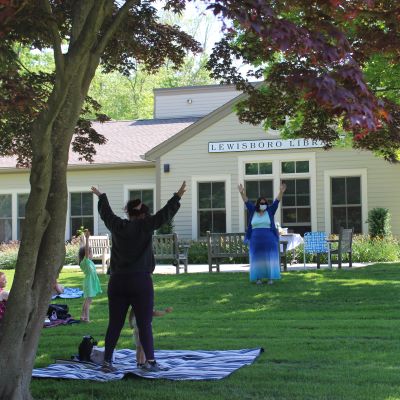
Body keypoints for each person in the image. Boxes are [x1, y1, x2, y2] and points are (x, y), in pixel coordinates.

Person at [91, 180, 186, 373]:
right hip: (140, 281)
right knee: (144, 324)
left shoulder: (117, 226)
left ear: (128, 213)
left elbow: (106, 214)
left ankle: (107, 362)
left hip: (117, 281)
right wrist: (177, 196)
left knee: (115, 324)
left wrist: (102, 197)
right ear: (143, 214)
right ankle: (150, 362)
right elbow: (164, 215)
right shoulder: (146, 225)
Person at [238, 182, 287, 285]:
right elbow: (246, 201)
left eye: (265, 203)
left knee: (269, 258)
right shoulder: (252, 211)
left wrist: (281, 192)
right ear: (258, 204)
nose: (263, 204)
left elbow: (277, 201)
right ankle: (258, 278)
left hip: (269, 240)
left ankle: (270, 278)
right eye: (261, 203)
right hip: (255, 241)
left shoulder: (270, 210)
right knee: (256, 258)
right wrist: (242, 192)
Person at [78, 229, 102, 322]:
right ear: (87, 254)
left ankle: (82, 316)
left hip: (89, 283)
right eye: (91, 252)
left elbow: (85, 249)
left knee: (86, 301)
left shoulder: (88, 262)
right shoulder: (86, 262)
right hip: (89, 284)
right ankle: (87, 319)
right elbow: (86, 250)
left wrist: (83, 238)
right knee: (88, 301)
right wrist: (87, 239)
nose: (92, 254)